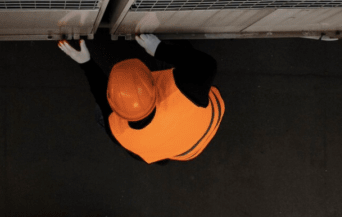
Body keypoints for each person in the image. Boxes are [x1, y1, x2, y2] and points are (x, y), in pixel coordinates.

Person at [58, 34, 223, 164]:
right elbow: (207, 64)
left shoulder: (120, 132)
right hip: (202, 126)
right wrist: (159, 49)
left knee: (101, 113)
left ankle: (161, 159)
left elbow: (101, 95)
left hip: (181, 151)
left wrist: (86, 63)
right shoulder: (185, 90)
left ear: (113, 102)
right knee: (184, 61)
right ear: (152, 85)